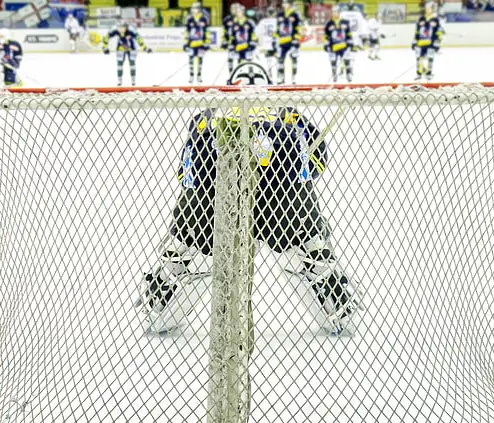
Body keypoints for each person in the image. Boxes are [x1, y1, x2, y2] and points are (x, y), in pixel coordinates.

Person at [138, 62, 358, 336]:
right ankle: (336, 307)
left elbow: (186, 173)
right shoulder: (287, 112)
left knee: (188, 249)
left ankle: (160, 303)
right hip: (283, 201)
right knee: (310, 253)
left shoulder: (208, 113)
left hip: (214, 201)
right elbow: (316, 162)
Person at [103, 21, 151, 86]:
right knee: (119, 64)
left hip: (131, 49)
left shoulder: (131, 30)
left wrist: (145, 48)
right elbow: (106, 37)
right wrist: (104, 47)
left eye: (123, 28)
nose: (121, 29)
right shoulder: (115, 30)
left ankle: (133, 81)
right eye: (119, 28)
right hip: (120, 49)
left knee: (132, 63)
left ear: (126, 27)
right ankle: (119, 81)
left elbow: (139, 39)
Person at [412, 2, 444, 81]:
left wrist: (437, 43)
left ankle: (428, 73)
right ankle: (419, 73)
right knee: (419, 59)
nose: (428, 9)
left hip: (431, 43)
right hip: (420, 42)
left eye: (429, 8)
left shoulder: (435, 19)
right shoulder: (421, 19)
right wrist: (414, 42)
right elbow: (417, 31)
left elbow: (439, 32)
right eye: (427, 8)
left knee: (430, 58)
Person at [324, 6, 355, 83]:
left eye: (336, 12)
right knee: (333, 62)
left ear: (339, 13)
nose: (334, 14)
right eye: (333, 12)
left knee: (347, 61)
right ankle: (334, 75)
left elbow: (348, 33)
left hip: (343, 46)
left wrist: (350, 42)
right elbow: (326, 35)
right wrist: (326, 43)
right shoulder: (329, 23)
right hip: (333, 46)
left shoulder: (345, 22)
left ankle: (348, 74)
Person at [275, 0, 303, 84]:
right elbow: (277, 28)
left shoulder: (295, 14)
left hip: (292, 41)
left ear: (290, 4)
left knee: (294, 60)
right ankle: (281, 77)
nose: (284, 4)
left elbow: (299, 27)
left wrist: (297, 38)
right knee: (280, 60)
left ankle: (293, 78)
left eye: (286, 3)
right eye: (283, 3)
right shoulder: (280, 14)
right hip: (282, 41)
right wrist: (275, 39)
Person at [225, 4, 256, 74]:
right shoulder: (234, 23)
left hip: (247, 46)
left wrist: (253, 43)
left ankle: (250, 77)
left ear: (243, 12)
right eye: (237, 12)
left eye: (240, 11)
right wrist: (231, 44)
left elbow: (253, 34)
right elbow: (232, 36)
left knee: (249, 63)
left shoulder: (249, 22)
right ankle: (234, 75)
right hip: (238, 47)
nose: (238, 13)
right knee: (238, 62)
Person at [184, 2, 210, 84]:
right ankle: (191, 75)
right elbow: (186, 32)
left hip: (200, 44)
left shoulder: (204, 19)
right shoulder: (189, 19)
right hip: (191, 44)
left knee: (200, 60)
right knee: (191, 60)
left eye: (196, 8)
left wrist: (207, 42)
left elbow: (207, 32)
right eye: (193, 8)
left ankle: (199, 75)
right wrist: (185, 43)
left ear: (199, 9)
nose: (194, 10)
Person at [257, 6, 278, 79]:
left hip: (266, 44)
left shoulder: (262, 22)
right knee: (278, 60)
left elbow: (259, 33)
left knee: (268, 60)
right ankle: (278, 74)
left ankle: (270, 73)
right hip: (276, 44)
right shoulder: (277, 21)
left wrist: (260, 44)